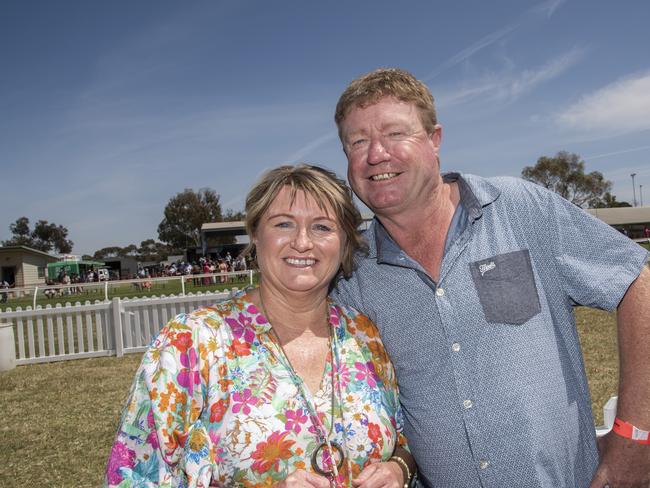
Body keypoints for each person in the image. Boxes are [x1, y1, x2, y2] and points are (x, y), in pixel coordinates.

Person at [332, 68, 650, 488]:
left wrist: (636, 437)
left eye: (395, 134)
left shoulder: (518, 208)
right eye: (357, 141)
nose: (376, 154)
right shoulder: (355, 272)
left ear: (434, 140)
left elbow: (634, 281)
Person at [105, 164, 415, 487]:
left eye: (322, 227)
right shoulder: (192, 344)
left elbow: (406, 436)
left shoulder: (364, 335)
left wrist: (398, 468)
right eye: (283, 224)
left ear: (345, 241)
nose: (303, 242)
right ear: (255, 234)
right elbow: (129, 478)